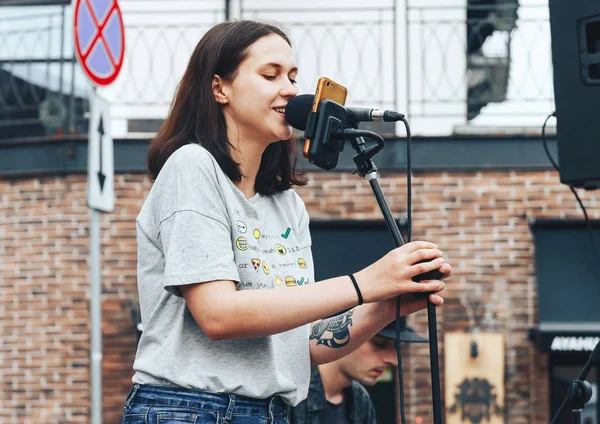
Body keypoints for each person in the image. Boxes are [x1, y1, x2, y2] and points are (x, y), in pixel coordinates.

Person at [121, 19, 451, 424]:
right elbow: (218, 314)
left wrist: (386, 306)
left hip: (271, 412)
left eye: (293, 76)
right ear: (219, 87)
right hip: (190, 409)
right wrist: (363, 283)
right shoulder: (193, 166)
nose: (292, 89)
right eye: (270, 74)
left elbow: (302, 344)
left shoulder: (287, 205)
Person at [292, 318, 428, 424]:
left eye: (396, 347)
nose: (393, 360)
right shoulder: (291, 394)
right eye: (379, 343)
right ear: (340, 334)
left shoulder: (360, 400)